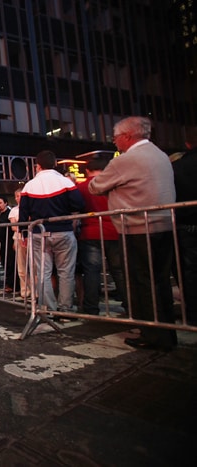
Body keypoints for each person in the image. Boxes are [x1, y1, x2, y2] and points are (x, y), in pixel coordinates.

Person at [89, 116, 176, 351]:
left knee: (141, 282)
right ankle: (167, 332)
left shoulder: (126, 160)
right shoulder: (160, 155)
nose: (114, 142)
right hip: (165, 226)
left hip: (137, 227)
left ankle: (152, 333)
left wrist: (113, 189)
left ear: (127, 136)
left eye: (116, 137)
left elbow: (95, 186)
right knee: (160, 281)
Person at [19, 150, 85, 314]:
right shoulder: (65, 182)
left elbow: (22, 215)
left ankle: (49, 308)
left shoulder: (29, 185)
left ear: (38, 166)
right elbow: (79, 205)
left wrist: (24, 234)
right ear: (55, 164)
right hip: (63, 231)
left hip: (39, 234)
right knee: (66, 272)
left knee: (43, 273)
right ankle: (66, 308)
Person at [76, 157, 127, 315]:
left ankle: (91, 307)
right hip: (114, 229)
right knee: (118, 270)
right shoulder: (114, 185)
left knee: (91, 271)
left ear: (87, 170)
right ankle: (130, 305)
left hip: (90, 231)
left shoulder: (81, 187)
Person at [173, 127, 197, 325]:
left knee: (189, 272)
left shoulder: (180, 166)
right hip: (186, 224)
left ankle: (193, 316)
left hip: (187, 224)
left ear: (188, 143)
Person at [8, 188, 30, 298]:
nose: (18, 198)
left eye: (20, 196)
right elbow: (13, 227)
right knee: (21, 266)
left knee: (33, 266)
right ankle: (24, 290)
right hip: (19, 238)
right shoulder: (14, 210)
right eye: (16, 196)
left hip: (31, 238)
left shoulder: (30, 208)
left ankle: (36, 290)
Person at [0, 195, 16, 293]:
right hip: (2, 241)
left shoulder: (9, 213)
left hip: (10, 240)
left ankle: (12, 284)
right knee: (4, 262)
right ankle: (8, 283)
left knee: (11, 262)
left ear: (5, 203)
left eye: (0, 203)